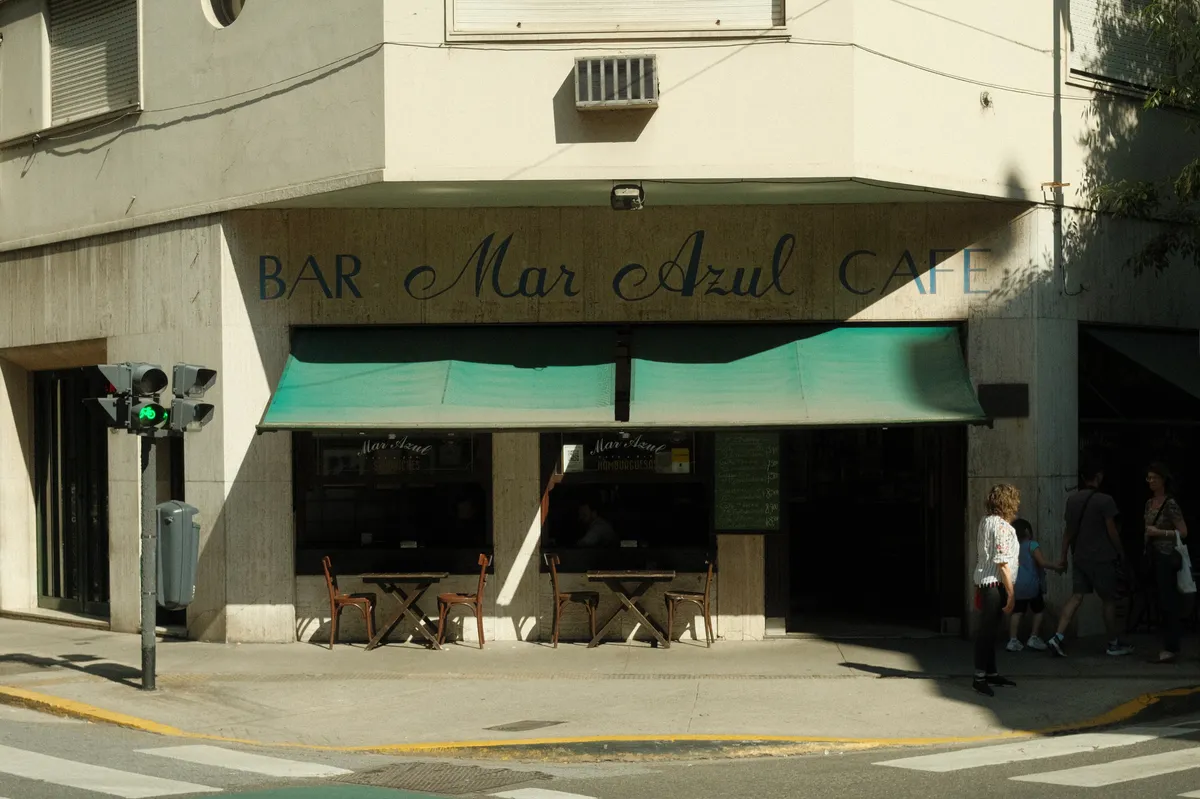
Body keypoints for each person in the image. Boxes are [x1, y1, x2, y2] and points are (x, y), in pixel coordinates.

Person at [1047, 461, 1134, 658]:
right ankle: (1113, 643)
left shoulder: (1073, 500)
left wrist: (1063, 556)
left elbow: (1068, 532)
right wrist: (1121, 552)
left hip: (1080, 557)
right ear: (1099, 476)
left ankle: (1057, 637)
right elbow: (1112, 531)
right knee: (1109, 600)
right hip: (1102, 558)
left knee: (1077, 596)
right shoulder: (1105, 501)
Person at [971, 483, 1021, 696]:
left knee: (990, 632)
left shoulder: (985, 522)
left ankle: (990, 673)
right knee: (987, 633)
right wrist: (1011, 593)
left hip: (986, 583)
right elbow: (1002, 563)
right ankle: (979, 676)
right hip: (995, 585)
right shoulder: (1001, 526)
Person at [1144, 462, 1189, 664]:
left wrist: (1160, 532)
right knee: (1158, 599)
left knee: (1168, 600)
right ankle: (1164, 642)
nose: (1151, 481)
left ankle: (1171, 646)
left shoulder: (1170, 503)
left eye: (1154, 477)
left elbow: (1183, 531)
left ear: (1163, 479)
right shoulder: (1148, 503)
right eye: (1149, 478)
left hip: (1167, 555)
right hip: (1152, 555)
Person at [1006, 518, 1061, 652]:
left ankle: (1012, 640)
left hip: (1016, 585)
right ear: (1027, 531)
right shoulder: (1033, 545)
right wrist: (1056, 566)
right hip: (1032, 584)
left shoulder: (1012, 548)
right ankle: (1034, 637)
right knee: (1038, 610)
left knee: (1017, 612)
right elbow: (1041, 563)